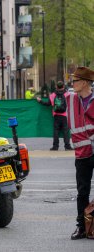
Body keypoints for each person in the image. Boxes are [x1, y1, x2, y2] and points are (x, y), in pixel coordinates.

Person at [66, 67, 94, 240]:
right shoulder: (71, 100)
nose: (73, 83)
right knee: (82, 191)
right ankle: (81, 227)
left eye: (75, 81)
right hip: (82, 153)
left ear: (84, 83)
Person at [37, 81, 73, 151]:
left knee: (56, 131)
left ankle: (55, 146)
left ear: (56, 87)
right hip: (65, 116)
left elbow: (47, 104)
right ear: (63, 86)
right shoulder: (67, 94)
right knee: (66, 131)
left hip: (56, 115)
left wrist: (40, 101)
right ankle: (67, 146)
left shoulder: (53, 95)